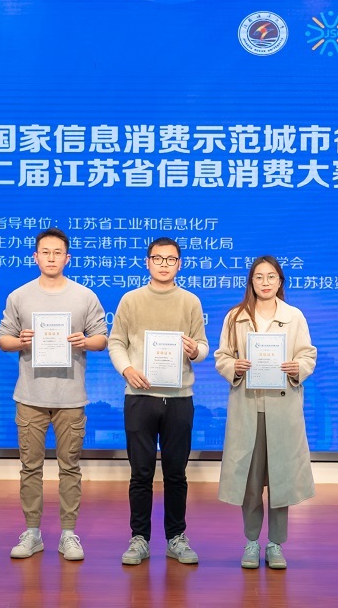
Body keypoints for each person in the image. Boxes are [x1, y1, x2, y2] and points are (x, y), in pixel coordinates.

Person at [0, 228, 108, 562]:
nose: (51, 258)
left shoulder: (84, 296)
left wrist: (85, 341)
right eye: (45, 252)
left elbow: (102, 338)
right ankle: (32, 533)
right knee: (29, 468)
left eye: (57, 252)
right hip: (30, 396)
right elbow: (3, 339)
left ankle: (68, 534)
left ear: (67, 258)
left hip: (70, 397)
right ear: (35, 257)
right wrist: (20, 341)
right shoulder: (19, 296)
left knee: (70, 467)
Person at [108, 237, 208, 566]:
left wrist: (195, 350)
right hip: (139, 397)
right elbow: (116, 342)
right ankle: (139, 538)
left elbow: (203, 346)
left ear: (180, 264)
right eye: (158, 258)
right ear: (147, 262)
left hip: (179, 398)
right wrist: (127, 369)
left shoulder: (190, 301)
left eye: (171, 259)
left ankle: (176, 537)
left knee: (176, 473)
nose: (164, 264)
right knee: (141, 473)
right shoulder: (131, 299)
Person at [213, 256, 317, 570]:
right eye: (259, 277)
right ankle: (250, 542)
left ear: (280, 281)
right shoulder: (235, 317)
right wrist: (235, 366)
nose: (266, 282)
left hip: (282, 410)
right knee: (250, 479)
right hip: (248, 408)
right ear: (251, 282)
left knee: (281, 479)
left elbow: (308, 355)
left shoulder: (293, 316)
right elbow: (221, 356)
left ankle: (275, 544)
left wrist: (297, 367)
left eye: (271, 276)